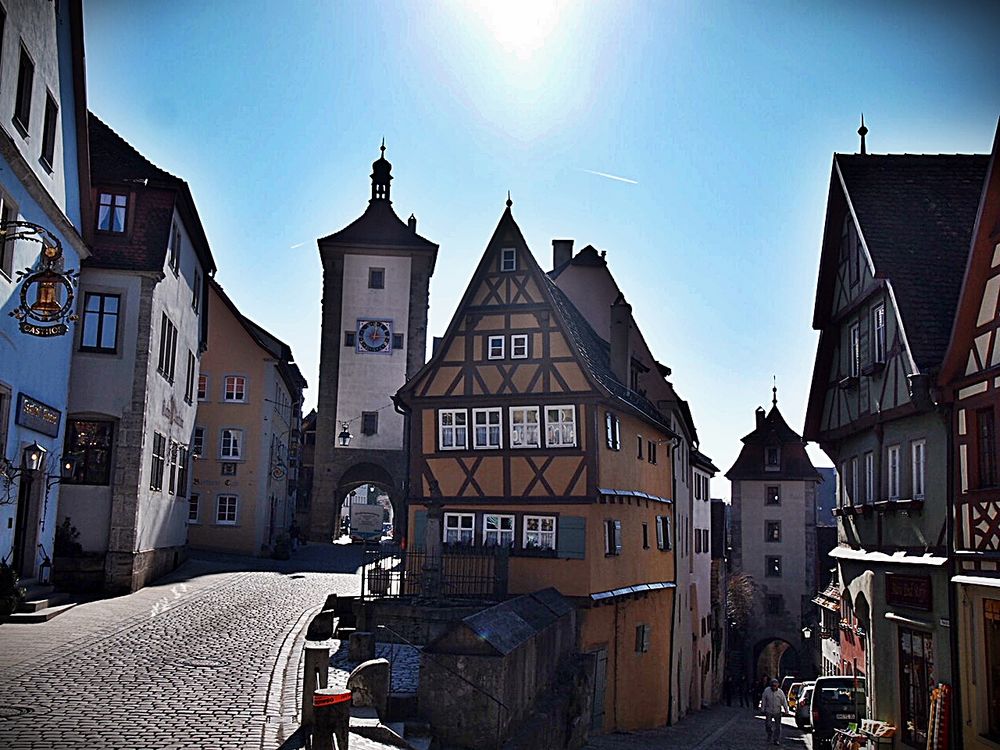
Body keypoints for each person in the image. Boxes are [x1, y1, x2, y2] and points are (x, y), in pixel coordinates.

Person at [761, 678, 789, 745]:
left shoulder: (780, 692)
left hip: (777, 711)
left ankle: (776, 739)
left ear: (778, 686)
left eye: (775, 686)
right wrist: (762, 708)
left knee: (778, 727)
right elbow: (764, 700)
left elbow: (784, 701)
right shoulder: (767, 691)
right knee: (768, 725)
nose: (774, 687)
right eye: (773, 685)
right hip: (769, 710)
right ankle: (770, 733)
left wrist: (786, 710)